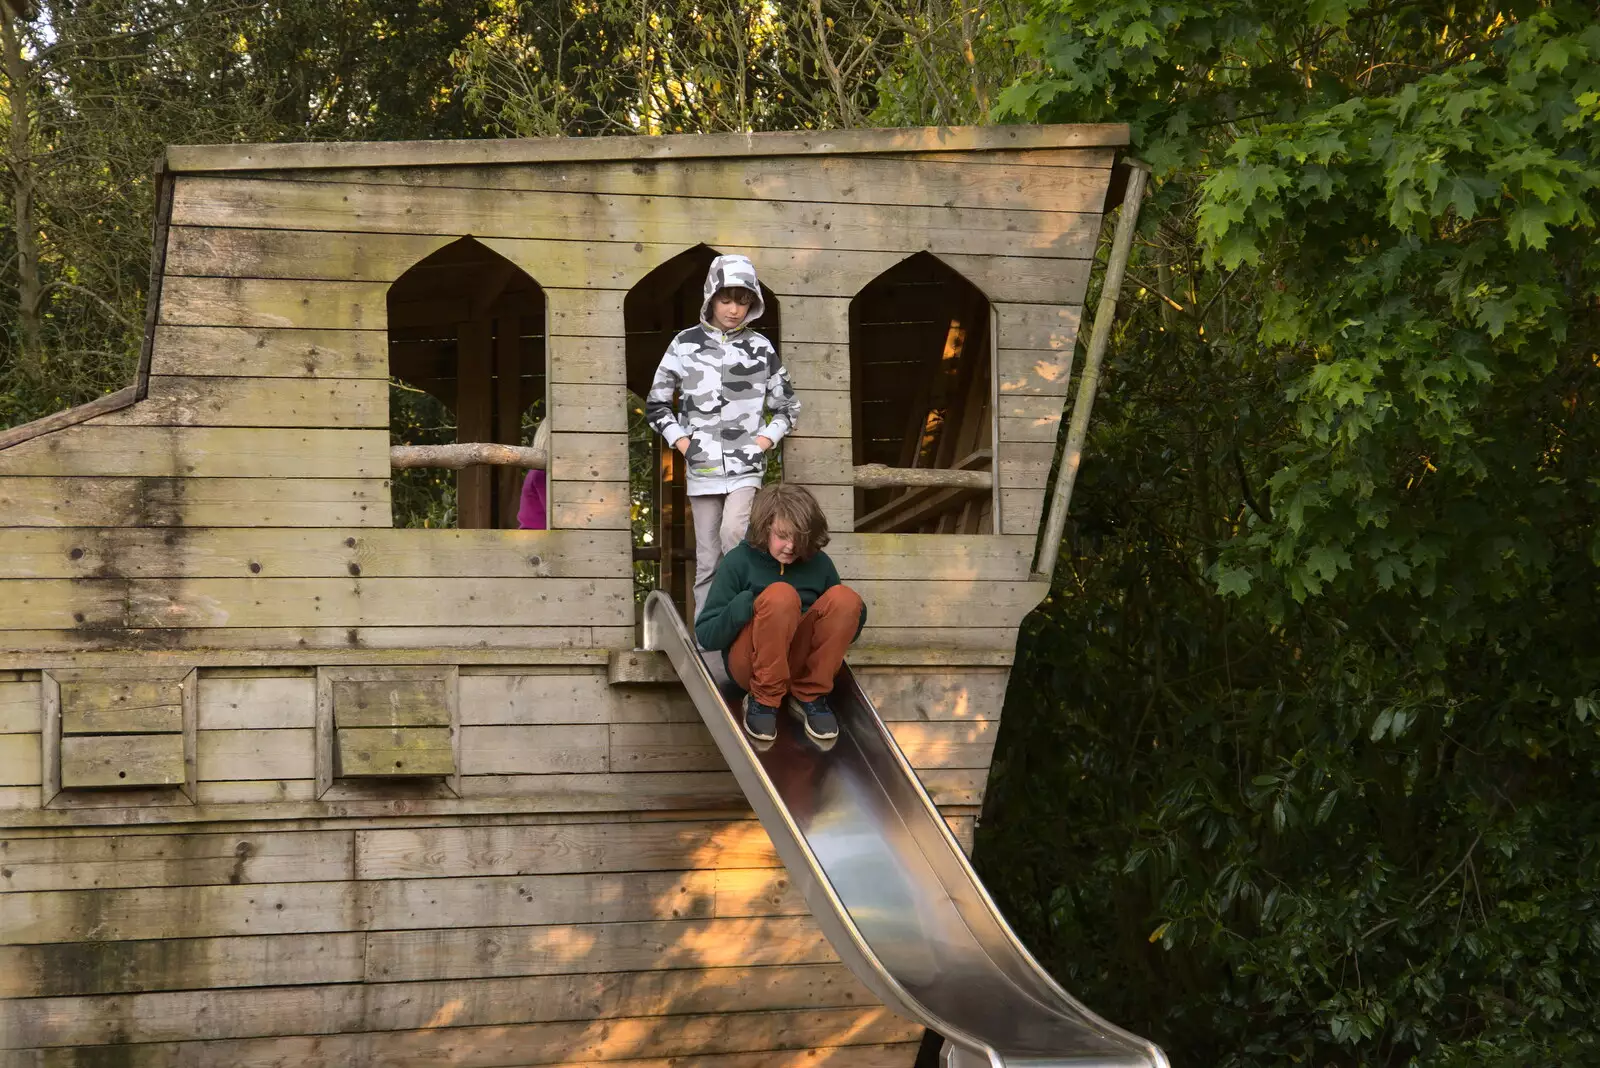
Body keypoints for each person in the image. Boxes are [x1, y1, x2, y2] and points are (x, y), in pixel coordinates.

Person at [645, 254, 800, 618]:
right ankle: (707, 639)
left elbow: (788, 408)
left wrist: (761, 444)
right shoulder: (683, 344)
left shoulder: (761, 349)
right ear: (711, 297)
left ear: (753, 303)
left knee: (736, 536)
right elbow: (656, 405)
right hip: (702, 472)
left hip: (746, 469)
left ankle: (748, 621)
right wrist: (685, 444)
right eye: (726, 300)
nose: (733, 310)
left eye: (743, 301)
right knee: (708, 558)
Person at [694, 483, 866, 745]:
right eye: (783, 535)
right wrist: (745, 606)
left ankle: (810, 695)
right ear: (764, 528)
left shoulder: (818, 563)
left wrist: (854, 614)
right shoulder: (739, 561)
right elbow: (706, 635)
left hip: (798, 664)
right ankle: (762, 699)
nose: (791, 546)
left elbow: (840, 625)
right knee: (780, 596)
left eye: (800, 537)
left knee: (846, 598)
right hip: (751, 666)